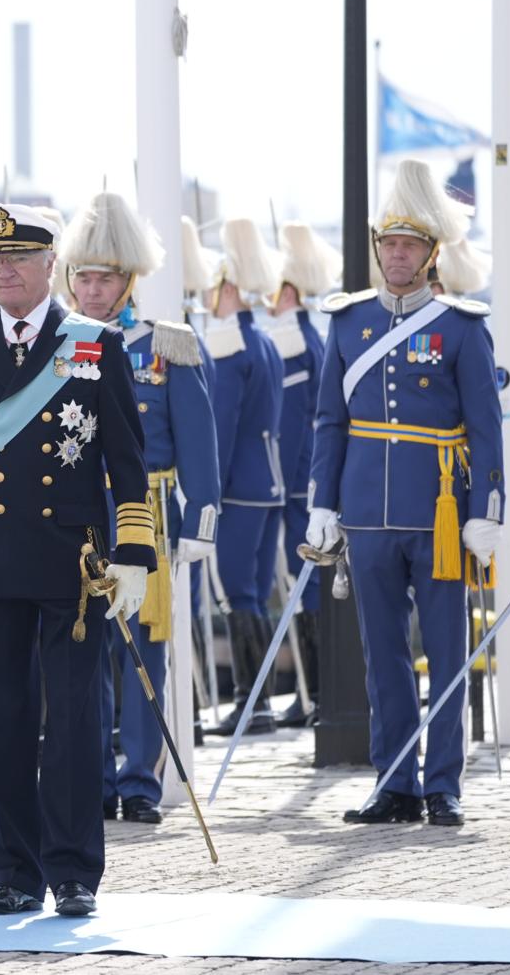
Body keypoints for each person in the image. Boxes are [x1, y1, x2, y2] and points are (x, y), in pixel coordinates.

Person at [0, 202, 156, 918]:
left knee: (77, 719)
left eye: (19, 258)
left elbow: (127, 460)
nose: (5, 271)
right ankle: (14, 871)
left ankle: (75, 870)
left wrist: (135, 552)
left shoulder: (92, 345)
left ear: (53, 265)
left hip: (73, 567)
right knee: (1, 717)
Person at [308, 158, 504, 827]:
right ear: (377, 250)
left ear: (430, 254)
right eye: (389, 244)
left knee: (448, 651)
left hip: (441, 513)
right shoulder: (348, 323)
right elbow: (330, 421)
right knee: (382, 656)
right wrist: (323, 505)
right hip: (366, 512)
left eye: (410, 245)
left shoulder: (462, 326)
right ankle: (394, 782)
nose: (397, 255)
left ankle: (442, 784)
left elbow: (486, 428)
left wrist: (487, 513)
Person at [62, 193, 220, 826]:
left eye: (105, 279)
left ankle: (139, 784)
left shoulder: (166, 347)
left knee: (141, 654)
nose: (94, 290)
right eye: (84, 277)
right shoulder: (55, 343)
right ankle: (93, 779)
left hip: (145, 512)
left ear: (128, 281)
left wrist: (201, 521)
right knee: (81, 651)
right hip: (74, 514)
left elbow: (199, 443)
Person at [205, 218, 286, 736]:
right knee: (253, 592)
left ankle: (250, 700)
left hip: (238, 487)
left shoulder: (233, 349)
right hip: (268, 483)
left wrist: (208, 488)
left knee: (238, 593)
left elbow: (224, 425)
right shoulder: (265, 342)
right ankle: (256, 700)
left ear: (228, 289)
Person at [269, 222, 341, 727]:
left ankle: (316, 691)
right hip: (302, 478)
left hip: (295, 479)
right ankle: (318, 691)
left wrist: (279, 480)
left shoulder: (294, 342)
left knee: (307, 583)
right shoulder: (308, 336)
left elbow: (292, 422)